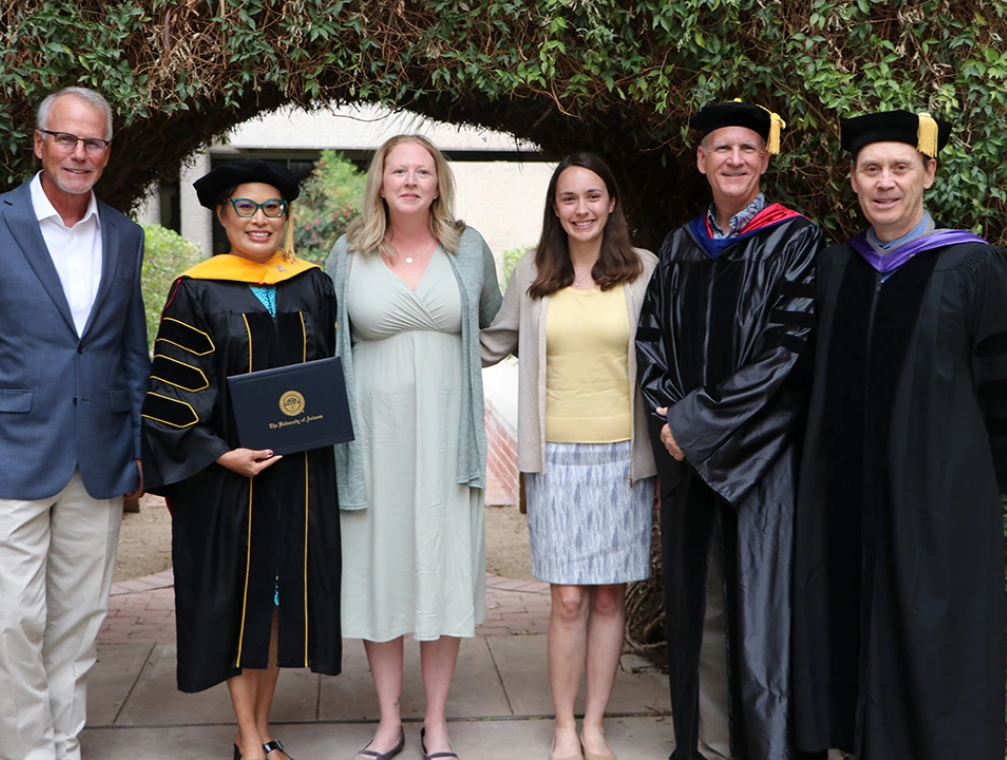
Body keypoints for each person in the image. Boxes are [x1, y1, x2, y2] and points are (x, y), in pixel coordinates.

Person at [791, 111, 1007, 760]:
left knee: (933, 638)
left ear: (928, 172)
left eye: (900, 167)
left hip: (941, 505)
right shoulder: (837, 268)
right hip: (844, 503)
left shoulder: (977, 269)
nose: (885, 182)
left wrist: (996, 482)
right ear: (852, 180)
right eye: (872, 169)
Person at [0, 86, 149, 760]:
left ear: (107, 154)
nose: (78, 153)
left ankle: (64, 745)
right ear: (38, 142)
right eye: (66, 138)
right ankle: (29, 753)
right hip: (4, 456)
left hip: (99, 455)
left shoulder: (125, 234)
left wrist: (140, 447)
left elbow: (129, 352)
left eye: (93, 142)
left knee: (79, 625)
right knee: (6, 623)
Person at [635, 101, 823, 760]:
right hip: (688, 457)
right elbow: (651, 344)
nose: (735, 160)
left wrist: (694, 425)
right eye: (722, 149)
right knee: (703, 608)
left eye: (747, 148)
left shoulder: (796, 239)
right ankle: (709, 746)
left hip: (762, 457)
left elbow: (787, 353)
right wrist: (668, 419)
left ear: (765, 159)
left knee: (764, 610)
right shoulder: (682, 246)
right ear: (701, 160)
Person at [140, 160, 341, 760]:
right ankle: (250, 739)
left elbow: (328, 376)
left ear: (286, 217)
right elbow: (171, 393)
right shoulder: (197, 290)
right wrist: (221, 453)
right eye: (245, 207)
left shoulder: (313, 285)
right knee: (236, 597)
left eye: (272, 207)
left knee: (278, 602)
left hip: (297, 472)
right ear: (222, 215)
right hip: (228, 477)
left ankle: (258, 726)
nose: (260, 219)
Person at [326, 134, 501, 760]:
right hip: (373, 439)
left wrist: (453, 374)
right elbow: (324, 340)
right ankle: (389, 721)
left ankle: (438, 723)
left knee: (443, 567)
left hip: (446, 436)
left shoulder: (468, 247)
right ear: (380, 179)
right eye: (397, 169)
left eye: (421, 171)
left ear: (437, 181)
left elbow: (494, 323)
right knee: (380, 568)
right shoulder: (347, 252)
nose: (409, 180)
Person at [481, 153, 657, 760]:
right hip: (554, 456)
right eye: (568, 198)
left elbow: (667, 357)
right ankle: (562, 725)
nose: (581, 209)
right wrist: (422, 336)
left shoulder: (644, 271)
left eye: (592, 196)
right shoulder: (534, 271)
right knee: (568, 598)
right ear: (554, 209)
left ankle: (595, 726)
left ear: (611, 203)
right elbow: (494, 341)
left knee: (609, 596)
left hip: (623, 456)